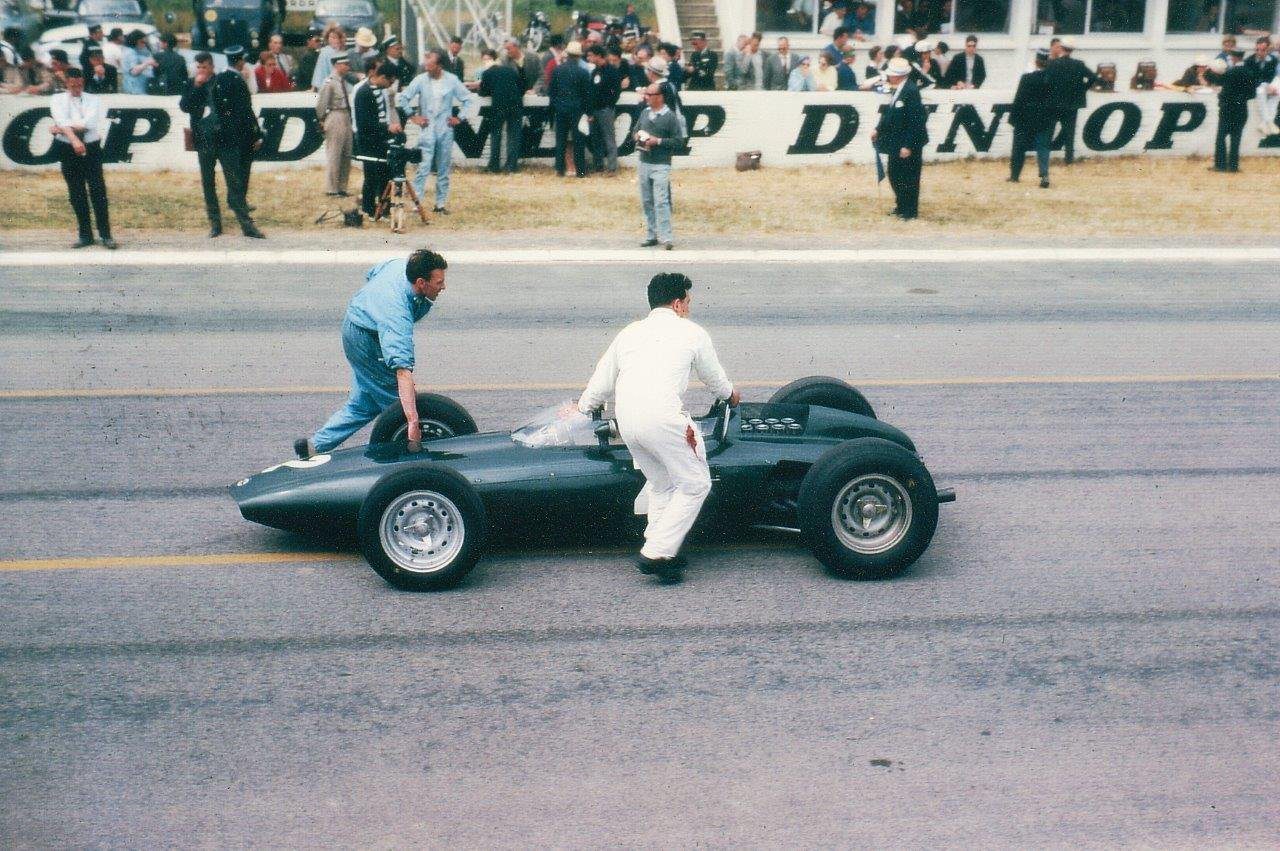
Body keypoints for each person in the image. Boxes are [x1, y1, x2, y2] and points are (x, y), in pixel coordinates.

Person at [577, 272, 739, 583]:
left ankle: (663, 549)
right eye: (688, 302)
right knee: (696, 484)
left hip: (628, 422)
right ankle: (656, 553)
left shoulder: (629, 333)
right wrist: (731, 394)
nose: (689, 309)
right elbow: (714, 379)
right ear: (677, 304)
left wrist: (583, 408)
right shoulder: (692, 333)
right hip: (663, 420)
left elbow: (600, 383)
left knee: (663, 484)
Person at [297, 249, 449, 458]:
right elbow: (402, 370)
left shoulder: (401, 265)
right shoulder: (396, 313)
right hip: (365, 340)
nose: (443, 287)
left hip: (355, 327)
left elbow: (372, 274)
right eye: (439, 282)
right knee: (398, 406)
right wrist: (414, 424)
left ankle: (313, 447)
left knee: (363, 404)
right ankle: (414, 457)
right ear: (421, 283)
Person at [179, 50, 265, 239]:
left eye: (204, 67)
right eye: (198, 67)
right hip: (204, 139)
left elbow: (242, 108)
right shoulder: (192, 84)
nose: (201, 71)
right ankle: (215, 223)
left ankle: (246, 224)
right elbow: (185, 106)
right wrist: (197, 86)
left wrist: (252, 133)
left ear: (212, 66)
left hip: (226, 139)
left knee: (234, 182)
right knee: (208, 182)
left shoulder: (224, 80)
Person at [49, 68, 117, 250]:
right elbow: (61, 119)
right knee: (76, 192)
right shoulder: (57, 99)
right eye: (73, 85)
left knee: (98, 191)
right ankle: (85, 235)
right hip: (67, 149)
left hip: (91, 147)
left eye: (80, 85)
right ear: (66, 83)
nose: (77, 88)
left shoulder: (93, 99)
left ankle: (105, 235)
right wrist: (73, 138)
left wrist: (61, 129)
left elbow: (89, 124)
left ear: (83, 82)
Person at [401, 49, 476, 213]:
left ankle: (440, 204)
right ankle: (417, 203)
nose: (426, 65)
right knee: (423, 166)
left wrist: (460, 118)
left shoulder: (452, 80)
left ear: (439, 65)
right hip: (427, 127)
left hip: (445, 128)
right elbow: (404, 97)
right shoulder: (421, 79)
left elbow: (468, 99)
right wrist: (413, 116)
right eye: (426, 61)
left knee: (443, 167)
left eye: (430, 62)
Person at [871, 57, 927, 220]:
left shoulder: (911, 91)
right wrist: (878, 129)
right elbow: (890, 113)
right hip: (896, 140)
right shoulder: (899, 89)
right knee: (895, 174)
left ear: (899, 76)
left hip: (908, 142)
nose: (889, 76)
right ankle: (901, 206)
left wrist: (908, 145)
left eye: (891, 74)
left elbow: (916, 121)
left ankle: (910, 211)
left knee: (909, 177)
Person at [633, 83, 684, 249]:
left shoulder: (670, 117)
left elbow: (679, 141)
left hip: (661, 164)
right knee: (647, 200)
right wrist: (637, 137)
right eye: (646, 94)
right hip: (644, 162)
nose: (646, 97)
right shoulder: (644, 113)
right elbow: (635, 130)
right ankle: (651, 234)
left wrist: (658, 141)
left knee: (661, 200)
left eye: (650, 94)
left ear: (660, 97)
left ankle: (666, 237)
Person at [352, 59, 401, 217]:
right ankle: (368, 208)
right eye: (389, 82)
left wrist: (389, 129)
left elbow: (382, 116)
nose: (389, 86)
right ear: (382, 77)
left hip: (380, 139)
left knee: (385, 175)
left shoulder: (380, 91)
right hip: (367, 141)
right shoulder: (363, 92)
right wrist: (387, 128)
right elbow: (364, 123)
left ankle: (383, 207)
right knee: (371, 176)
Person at [1044, 37, 1096, 165]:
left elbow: (1046, 81)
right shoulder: (1079, 64)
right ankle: (1069, 159)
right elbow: (1093, 77)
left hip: (1054, 103)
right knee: (1069, 132)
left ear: (1061, 48)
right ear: (1072, 50)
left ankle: (1044, 157)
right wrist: (1083, 89)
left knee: (1049, 131)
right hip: (1072, 103)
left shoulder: (1052, 64)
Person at [1008, 48, 1053, 189]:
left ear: (1036, 62)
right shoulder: (1051, 79)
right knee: (1043, 148)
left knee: (1018, 147)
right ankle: (1044, 175)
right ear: (1047, 62)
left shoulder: (1027, 78)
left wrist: (1013, 118)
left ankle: (1015, 175)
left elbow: (1019, 99)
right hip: (1044, 118)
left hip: (1025, 117)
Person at [548, 40, 590, 178]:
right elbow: (587, 94)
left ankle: (560, 169)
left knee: (561, 140)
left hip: (561, 109)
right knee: (578, 141)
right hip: (577, 110)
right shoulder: (583, 72)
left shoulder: (557, 70)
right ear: (578, 56)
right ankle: (580, 170)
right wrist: (587, 112)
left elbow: (552, 92)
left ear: (567, 54)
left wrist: (555, 107)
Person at [478, 47, 524, 173]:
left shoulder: (487, 73)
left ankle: (494, 166)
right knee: (513, 135)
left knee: (496, 134)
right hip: (516, 104)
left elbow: (482, 92)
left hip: (499, 105)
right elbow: (521, 87)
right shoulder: (510, 70)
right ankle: (511, 166)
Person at [315, 51, 353, 197]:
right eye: (345, 64)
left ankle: (342, 187)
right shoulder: (329, 82)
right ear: (337, 65)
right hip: (335, 115)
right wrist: (321, 120)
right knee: (334, 153)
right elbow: (321, 105)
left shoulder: (342, 81)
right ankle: (332, 188)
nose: (348, 67)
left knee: (346, 153)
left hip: (346, 116)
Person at [1206, 58, 1253, 173]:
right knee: (1236, 138)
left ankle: (1220, 165)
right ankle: (1233, 166)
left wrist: (1220, 98)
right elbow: (1252, 94)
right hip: (1242, 110)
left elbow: (1224, 94)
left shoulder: (1228, 74)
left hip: (1228, 110)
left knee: (1221, 138)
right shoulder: (1248, 72)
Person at [586, 43, 621, 174]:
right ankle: (598, 165)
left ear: (598, 56)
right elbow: (591, 91)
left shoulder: (612, 71)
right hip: (595, 110)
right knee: (596, 139)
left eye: (591, 55)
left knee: (608, 138)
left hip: (605, 109)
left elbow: (616, 91)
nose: (588, 58)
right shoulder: (595, 71)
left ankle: (612, 167)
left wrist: (609, 104)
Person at [1244, 35, 1279, 135]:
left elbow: (1273, 76)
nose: (1259, 52)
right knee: (1260, 90)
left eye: (1263, 50)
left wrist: (1271, 87)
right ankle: (1269, 122)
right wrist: (1265, 85)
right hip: (1254, 87)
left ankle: (1264, 123)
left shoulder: (1273, 60)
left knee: (1277, 94)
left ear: (1268, 49)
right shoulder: (1249, 61)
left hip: (1268, 88)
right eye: (1257, 50)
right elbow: (1250, 79)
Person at [311, 24, 347, 90]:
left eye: (334, 37)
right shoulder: (325, 52)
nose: (332, 40)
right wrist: (314, 87)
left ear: (340, 39)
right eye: (330, 37)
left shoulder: (343, 52)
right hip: (326, 85)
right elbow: (319, 70)